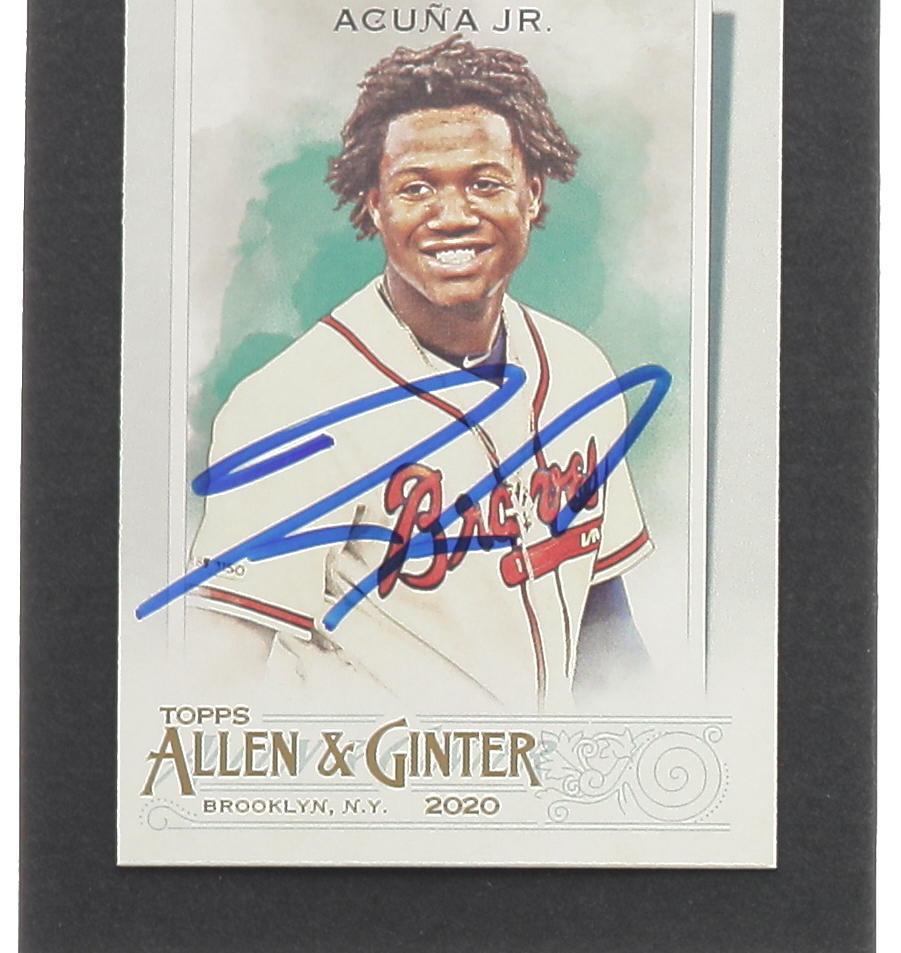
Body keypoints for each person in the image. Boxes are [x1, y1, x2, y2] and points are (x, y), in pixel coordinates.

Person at [187, 36, 654, 712]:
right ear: (376, 204)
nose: (453, 215)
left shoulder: (579, 369)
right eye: (417, 187)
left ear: (531, 194)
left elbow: (605, 629)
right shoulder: (290, 406)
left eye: (484, 183)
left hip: (541, 777)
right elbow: (216, 679)